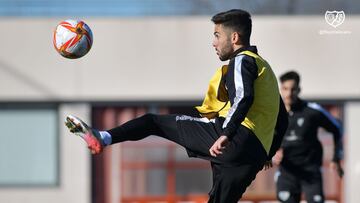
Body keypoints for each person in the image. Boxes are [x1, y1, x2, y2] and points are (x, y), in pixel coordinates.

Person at [65, 9, 288, 203]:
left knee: (154, 122)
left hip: (234, 139)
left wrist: (227, 134)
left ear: (235, 37)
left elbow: (243, 97)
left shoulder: (241, 61)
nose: (213, 42)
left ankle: (103, 137)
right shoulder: (265, 70)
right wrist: (267, 153)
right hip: (253, 156)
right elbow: (282, 117)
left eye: (217, 35)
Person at [273, 71, 344, 203]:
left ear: (299, 89)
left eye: (293, 89)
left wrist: (336, 157)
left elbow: (337, 129)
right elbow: (264, 137)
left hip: (311, 171)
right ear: (281, 89)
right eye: (285, 89)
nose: (289, 93)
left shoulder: (313, 111)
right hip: (287, 173)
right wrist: (272, 153)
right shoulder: (273, 113)